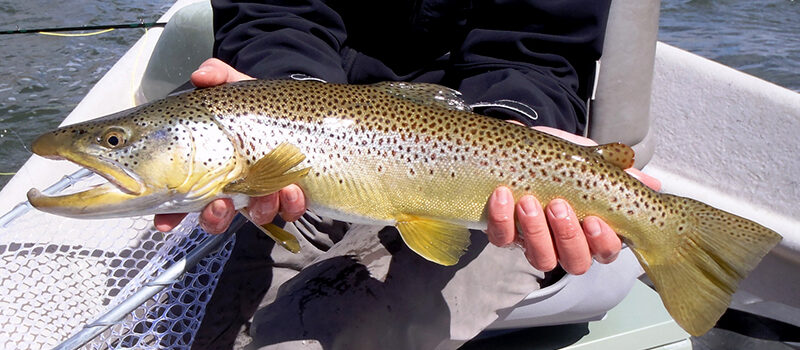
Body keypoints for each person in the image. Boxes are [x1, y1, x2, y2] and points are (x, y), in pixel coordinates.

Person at [155, 1, 661, 348]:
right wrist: (285, 94)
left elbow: (540, 46)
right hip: (307, 124)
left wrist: (517, 124)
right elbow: (272, 12)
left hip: (482, 138)